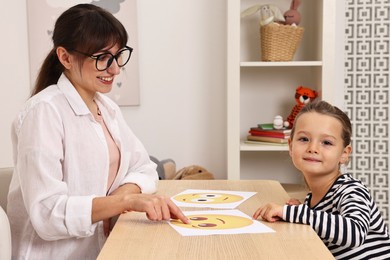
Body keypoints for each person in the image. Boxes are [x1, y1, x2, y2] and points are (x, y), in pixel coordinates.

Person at [8, 4, 188, 259]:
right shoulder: (43, 112)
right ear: (65, 57)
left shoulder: (107, 108)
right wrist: (124, 203)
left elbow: (144, 168)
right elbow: (47, 213)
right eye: (103, 58)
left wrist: (118, 198)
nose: (115, 69)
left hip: (103, 248)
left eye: (118, 56)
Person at [253, 100, 390, 259]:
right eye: (304, 139)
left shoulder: (351, 190)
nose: (313, 148)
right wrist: (303, 209)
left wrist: (291, 212)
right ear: (291, 147)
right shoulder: (313, 198)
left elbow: (355, 233)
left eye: (326, 142)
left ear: (344, 154)